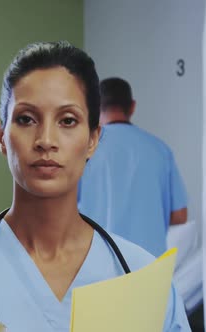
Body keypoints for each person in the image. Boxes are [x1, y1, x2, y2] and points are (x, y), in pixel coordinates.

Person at [0, 42, 190, 331]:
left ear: (93, 139)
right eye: (26, 119)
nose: (46, 140)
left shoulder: (144, 281)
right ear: (1, 137)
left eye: (68, 120)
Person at [78, 77, 188, 257]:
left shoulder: (84, 149)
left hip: (99, 263)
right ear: (132, 106)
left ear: (95, 108)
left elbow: (63, 210)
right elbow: (180, 215)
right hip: (149, 267)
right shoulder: (160, 150)